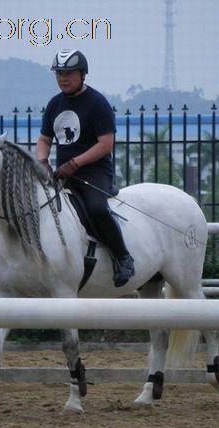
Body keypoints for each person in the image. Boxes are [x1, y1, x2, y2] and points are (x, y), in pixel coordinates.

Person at [36, 49, 135, 287]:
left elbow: (105, 144)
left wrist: (75, 163)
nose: (63, 77)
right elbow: (44, 140)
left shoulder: (97, 103)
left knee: (96, 208)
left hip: (94, 173)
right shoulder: (54, 104)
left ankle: (123, 257)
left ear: (82, 74)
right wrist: (42, 162)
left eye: (69, 72)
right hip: (62, 174)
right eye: (59, 73)